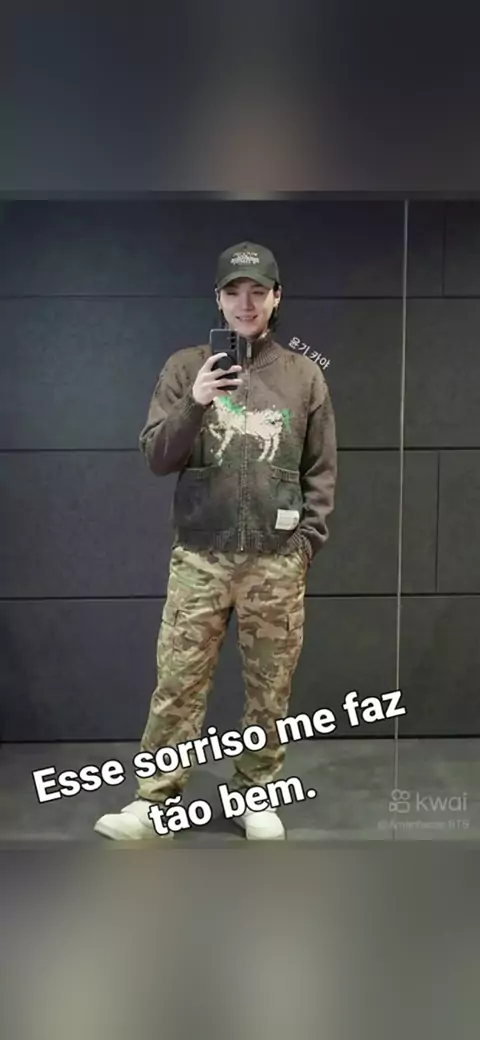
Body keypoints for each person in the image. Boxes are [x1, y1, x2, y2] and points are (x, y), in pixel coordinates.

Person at [94, 240, 337, 841]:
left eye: (258, 291)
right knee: (178, 682)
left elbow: (321, 470)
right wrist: (195, 403)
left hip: (276, 562)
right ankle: (156, 801)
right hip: (200, 558)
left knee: (270, 688)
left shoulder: (304, 376)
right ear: (218, 299)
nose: (245, 303)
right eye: (234, 291)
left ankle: (256, 792)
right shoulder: (186, 368)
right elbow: (157, 456)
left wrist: (306, 543)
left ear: (276, 297)